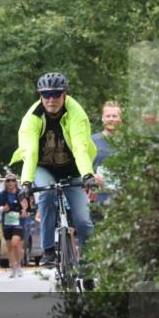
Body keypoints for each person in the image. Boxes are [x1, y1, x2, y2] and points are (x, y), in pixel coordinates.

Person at [11, 72, 97, 269]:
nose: (51, 99)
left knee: (83, 221)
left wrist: (87, 175)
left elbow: (80, 146)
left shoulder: (76, 112)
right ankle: (48, 250)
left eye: (56, 94)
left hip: (74, 169)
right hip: (44, 167)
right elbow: (30, 151)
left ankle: (88, 263)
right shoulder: (32, 117)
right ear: (40, 96)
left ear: (64, 94)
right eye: (46, 95)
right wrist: (25, 183)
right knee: (47, 194)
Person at [0, 173, 30, 277]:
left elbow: (28, 208)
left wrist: (25, 213)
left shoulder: (21, 193)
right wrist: (2, 209)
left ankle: (19, 265)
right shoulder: (2, 195)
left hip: (19, 222)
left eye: (13, 180)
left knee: (16, 244)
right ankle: (14, 268)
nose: (10, 183)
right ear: (5, 183)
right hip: (7, 223)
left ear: (16, 182)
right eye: (8, 181)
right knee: (10, 247)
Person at [91, 100, 122, 205]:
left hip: (123, 200)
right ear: (102, 118)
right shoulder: (91, 141)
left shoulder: (128, 143)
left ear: (120, 119)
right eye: (108, 116)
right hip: (97, 200)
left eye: (115, 116)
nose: (111, 119)